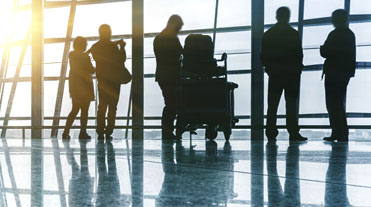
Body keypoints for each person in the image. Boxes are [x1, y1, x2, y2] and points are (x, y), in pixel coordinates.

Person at [261, 7, 307, 141]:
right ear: (288, 17)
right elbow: (299, 54)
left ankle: (270, 132)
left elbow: (264, 55)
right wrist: (297, 70)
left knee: (273, 105)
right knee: (291, 104)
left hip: (276, 75)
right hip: (291, 75)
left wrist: (269, 69)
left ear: (277, 16)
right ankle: (293, 132)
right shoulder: (293, 33)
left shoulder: (269, 34)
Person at [321, 9, 356, 142]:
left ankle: (337, 132)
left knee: (332, 103)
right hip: (344, 73)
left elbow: (326, 52)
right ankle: (342, 132)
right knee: (339, 103)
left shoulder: (335, 34)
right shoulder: (349, 34)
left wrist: (322, 49)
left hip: (333, 73)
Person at [90, 24, 127, 140]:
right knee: (112, 107)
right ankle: (109, 130)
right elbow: (121, 59)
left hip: (103, 80)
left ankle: (100, 130)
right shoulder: (113, 46)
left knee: (102, 106)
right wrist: (122, 47)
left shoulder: (95, 47)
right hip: (114, 80)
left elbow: (98, 59)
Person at [154, 15, 184, 140]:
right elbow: (180, 52)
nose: (179, 30)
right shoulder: (172, 39)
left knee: (170, 103)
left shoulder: (158, 38)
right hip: (171, 75)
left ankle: (167, 131)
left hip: (162, 75)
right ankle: (168, 132)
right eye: (178, 27)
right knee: (172, 104)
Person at [62, 36, 95, 139]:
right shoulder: (85, 57)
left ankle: (66, 132)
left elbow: (79, 59)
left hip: (75, 87)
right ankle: (82, 132)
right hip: (86, 87)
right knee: (84, 111)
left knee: (74, 110)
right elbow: (91, 70)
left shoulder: (71, 55)